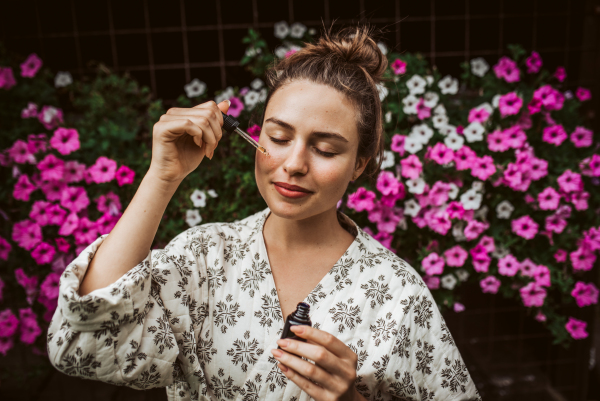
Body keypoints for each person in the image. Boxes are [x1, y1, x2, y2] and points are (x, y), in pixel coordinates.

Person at [47, 25, 481, 401]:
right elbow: (81, 345)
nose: (294, 164)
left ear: (360, 165)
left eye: (325, 148)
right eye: (278, 136)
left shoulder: (397, 294)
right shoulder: (204, 255)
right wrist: (162, 176)